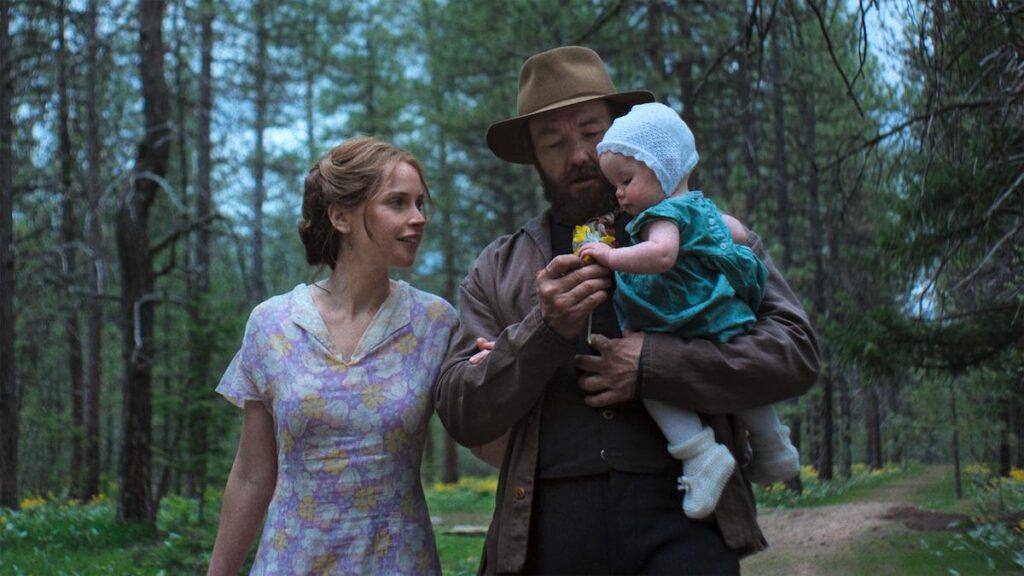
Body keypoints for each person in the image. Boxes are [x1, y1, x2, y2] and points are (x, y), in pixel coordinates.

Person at [434, 45, 820, 575]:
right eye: (553, 142)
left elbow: (796, 353)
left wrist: (653, 365)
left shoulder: (704, 230)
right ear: (533, 155)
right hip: (545, 539)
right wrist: (543, 329)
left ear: (621, 132)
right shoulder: (498, 268)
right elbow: (461, 410)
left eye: (592, 132)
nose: (579, 155)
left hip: (687, 529)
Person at [208, 137, 457, 575]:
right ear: (340, 216)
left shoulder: (435, 323)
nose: (418, 218)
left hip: (398, 564)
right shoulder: (273, 325)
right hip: (290, 563)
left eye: (420, 203)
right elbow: (251, 474)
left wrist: (514, 360)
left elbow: (488, 437)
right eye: (397, 202)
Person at [575, 101, 801, 520]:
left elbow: (661, 256)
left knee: (649, 379)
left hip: (680, 316)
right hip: (722, 313)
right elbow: (737, 235)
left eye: (626, 181)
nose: (619, 193)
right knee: (740, 382)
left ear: (663, 169)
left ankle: (698, 453)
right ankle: (773, 446)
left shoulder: (661, 217)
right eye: (616, 184)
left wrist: (609, 257)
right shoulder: (704, 207)